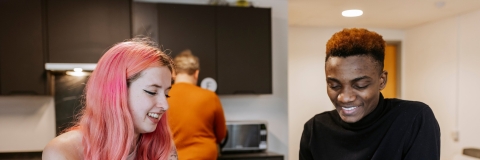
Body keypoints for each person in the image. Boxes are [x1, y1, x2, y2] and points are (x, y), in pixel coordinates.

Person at [299, 28, 441, 160]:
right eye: (334, 85)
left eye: (360, 85)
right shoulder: (315, 129)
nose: (345, 97)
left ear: (382, 80)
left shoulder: (413, 119)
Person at [42, 38, 178, 160]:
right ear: (117, 92)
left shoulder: (162, 147)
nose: (165, 105)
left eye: (166, 94)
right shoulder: (63, 151)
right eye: (152, 92)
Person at [167, 50, 227, 160]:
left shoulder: (163, 97)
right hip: (204, 156)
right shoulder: (210, 96)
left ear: (173, 73)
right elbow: (221, 134)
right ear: (196, 73)